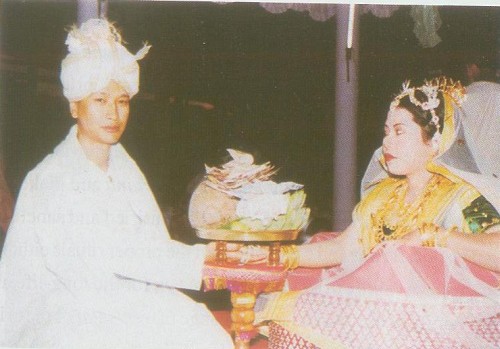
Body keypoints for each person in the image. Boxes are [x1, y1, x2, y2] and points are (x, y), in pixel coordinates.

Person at [0, 19, 241, 348]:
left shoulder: (123, 166)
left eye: (122, 101)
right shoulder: (52, 179)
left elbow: (149, 246)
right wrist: (208, 259)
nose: (113, 113)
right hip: (64, 313)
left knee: (202, 331)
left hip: (118, 296)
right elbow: (106, 268)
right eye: (100, 100)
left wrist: (208, 260)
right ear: (74, 105)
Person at [253, 78, 500, 348]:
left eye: (399, 131)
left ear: (435, 140)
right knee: (296, 306)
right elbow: (343, 247)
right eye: (385, 132)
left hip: (437, 330)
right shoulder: (383, 195)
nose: (386, 142)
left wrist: (434, 235)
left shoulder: (461, 197)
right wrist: (277, 255)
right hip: (379, 324)